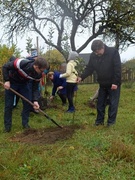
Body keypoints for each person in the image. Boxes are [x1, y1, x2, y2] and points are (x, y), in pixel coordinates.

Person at [77, 39, 121, 126]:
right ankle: (99, 121)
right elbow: (89, 68)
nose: (97, 54)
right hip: (102, 84)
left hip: (113, 84)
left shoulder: (113, 52)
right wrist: (81, 77)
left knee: (113, 103)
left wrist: (115, 82)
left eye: (98, 52)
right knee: (100, 103)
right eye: (95, 52)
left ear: (102, 47)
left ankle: (111, 123)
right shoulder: (93, 56)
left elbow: (117, 68)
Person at [2, 56, 49, 132]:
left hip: (24, 85)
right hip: (12, 83)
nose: (42, 72)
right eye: (41, 70)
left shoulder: (38, 75)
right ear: (36, 67)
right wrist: (7, 80)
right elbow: (5, 67)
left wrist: (35, 100)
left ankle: (25, 124)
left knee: (27, 103)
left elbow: (35, 88)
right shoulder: (21, 63)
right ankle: (7, 127)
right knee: (8, 105)